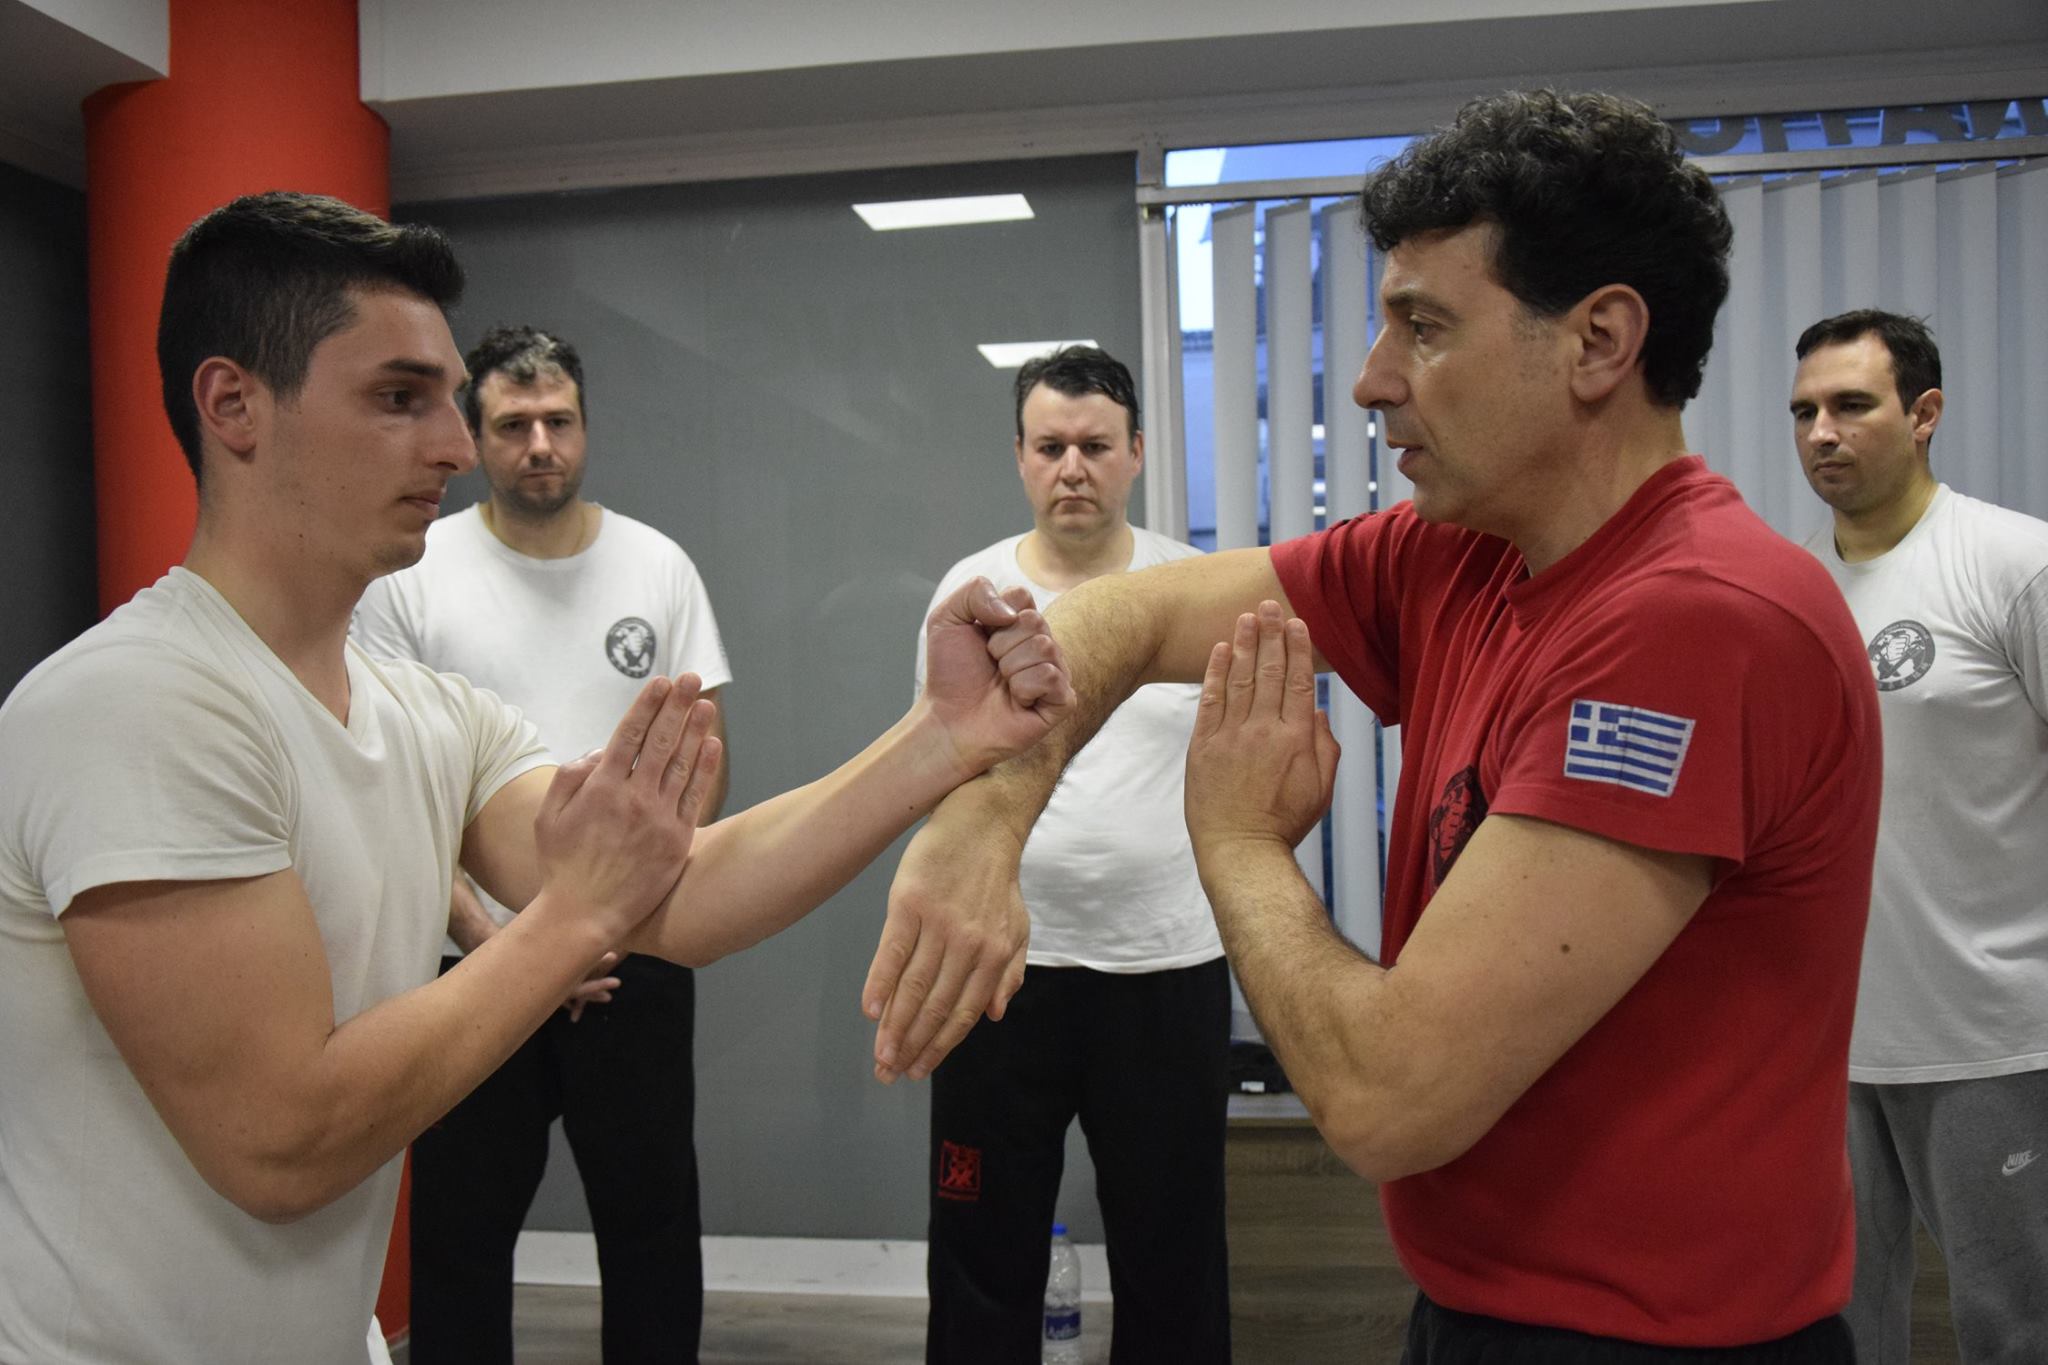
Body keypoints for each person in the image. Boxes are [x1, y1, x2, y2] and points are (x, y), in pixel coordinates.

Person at [882, 90, 1882, 1359]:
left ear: (1597, 342)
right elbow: (1126, 614)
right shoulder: (1459, 554)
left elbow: (1383, 1099)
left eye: (1423, 327)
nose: (1370, 379)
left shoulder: (1693, 619)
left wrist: (1236, 839)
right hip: (1480, 1306)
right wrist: (983, 822)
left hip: (1649, 1343)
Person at [0, 190, 1070, 1365]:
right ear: (233, 405)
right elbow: (283, 1144)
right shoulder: (137, 705)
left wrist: (937, 739)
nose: (457, 448)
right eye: (398, 399)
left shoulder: (429, 713)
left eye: (446, 401)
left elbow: (689, 893)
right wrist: (573, 918)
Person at [353, 324, 731, 1362]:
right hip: (466, 962)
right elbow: (393, 790)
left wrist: (610, 921)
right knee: (461, 1239)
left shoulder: (656, 566)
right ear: (473, 435)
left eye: (558, 421)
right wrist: (500, 939)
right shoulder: (412, 574)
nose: (539, 445)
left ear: (585, 427)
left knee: (652, 1228)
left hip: (632, 958)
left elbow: (702, 764)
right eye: (513, 424)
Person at [917, 346, 1229, 1364]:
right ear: (1019, 456)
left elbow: (1245, 777)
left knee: (1173, 1259)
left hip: (1164, 965)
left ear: (1135, 452)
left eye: (1094, 445)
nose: (1073, 469)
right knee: (981, 1253)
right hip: (999, 968)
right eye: (1050, 447)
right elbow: (935, 770)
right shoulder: (971, 595)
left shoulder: (1196, 590)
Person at [1789, 309, 2048, 1364]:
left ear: (1924, 413)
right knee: (1837, 1330)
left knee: (2016, 1328)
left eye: (1851, 405)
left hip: (1994, 1033)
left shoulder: (2014, 563)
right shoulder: (1788, 591)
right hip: (1825, 1042)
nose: (1821, 432)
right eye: (1804, 411)